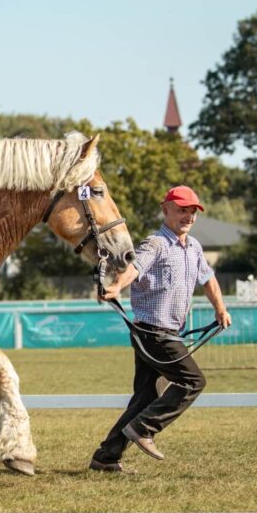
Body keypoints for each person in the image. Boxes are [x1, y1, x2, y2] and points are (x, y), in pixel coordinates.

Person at [89, 185, 232, 473]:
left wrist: (220, 308)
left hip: (169, 332)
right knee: (193, 382)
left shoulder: (194, 247)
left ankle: (106, 457)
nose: (188, 216)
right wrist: (117, 285)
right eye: (182, 210)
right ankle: (144, 428)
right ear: (165, 209)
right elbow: (134, 268)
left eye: (192, 212)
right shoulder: (155, 244)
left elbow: (208, 279)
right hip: (153, 332)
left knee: (145, 397)